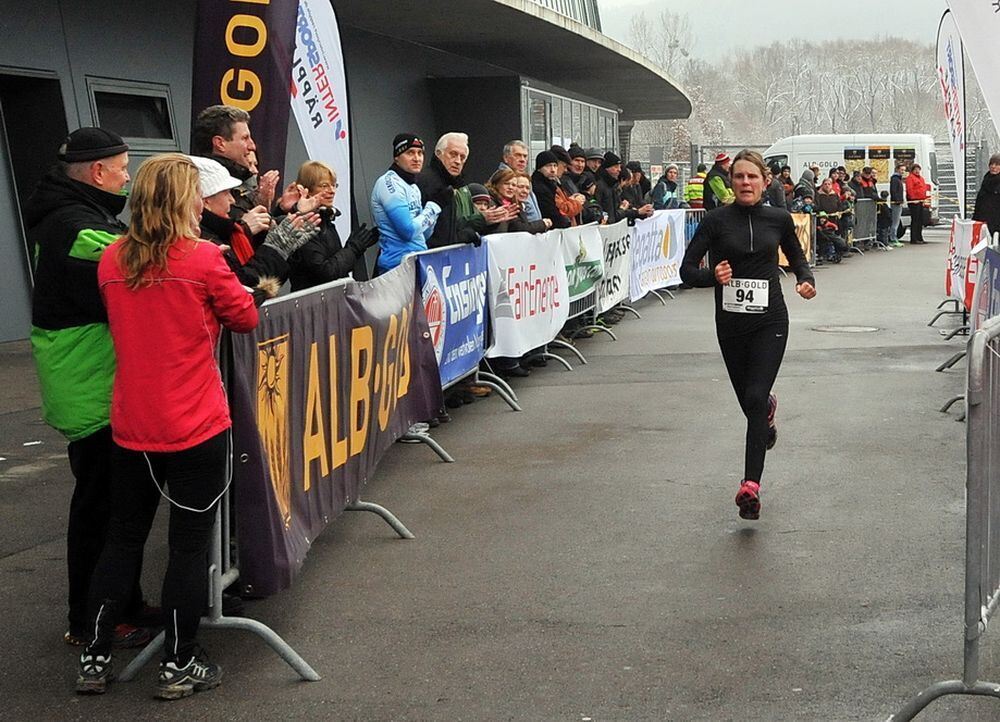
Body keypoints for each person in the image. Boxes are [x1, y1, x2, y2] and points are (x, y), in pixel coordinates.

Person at [76, 153, 260, 698]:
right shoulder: (202, 257)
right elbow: (245, 318)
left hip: (132, 423)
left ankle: (94, 654)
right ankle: (179, 661)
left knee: (122, 540)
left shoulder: (111, 258)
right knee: (187, 547)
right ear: (186, 202)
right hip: (195, 423)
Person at [26, 127, 154, 648]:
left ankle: (123, 604)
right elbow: (145, 265)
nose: (127, 178)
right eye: (124, 169)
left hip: (98, 380)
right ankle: (91, 621)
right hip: (90, 387)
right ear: (98, 172)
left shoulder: (79, 213)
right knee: (102, 510)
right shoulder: (74, 225)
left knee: (118, 505)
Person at [679, 150, 816, 520]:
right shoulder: (715, 221)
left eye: (752, 177)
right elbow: (686, 271)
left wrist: (806, 280)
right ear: (731, 181)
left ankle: (750, 486)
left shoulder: (779, 218)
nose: (745, 183)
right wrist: (713, 277)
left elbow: (797, 257)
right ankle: (767, 414)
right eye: (738, 177)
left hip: (771, 320)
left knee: (754, 396)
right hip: (731, 324)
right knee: (751, 403)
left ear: (764, 180)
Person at [191, 156, 319, 288]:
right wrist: (275, 249)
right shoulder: (206, 239)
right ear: (206, 200)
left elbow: (267, 281)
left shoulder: (226, 231)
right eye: (226, 193)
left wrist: (282, 247)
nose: (232, 200)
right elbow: (240, 288)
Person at [284, 160, 378, 290]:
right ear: (306, 190)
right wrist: (353, 249)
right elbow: (325, 272)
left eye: (334, 185)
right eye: (324, 186)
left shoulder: (325, 220)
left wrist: (353, 250)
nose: (332, 191)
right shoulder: (303, 224)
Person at [190, 105, 273, 242]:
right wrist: (242, 228)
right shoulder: (196, 184)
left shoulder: (241, 178)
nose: (252, 146)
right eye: (245, 138)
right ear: (220, 143)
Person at [418, 132, 513, 250]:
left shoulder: (461, 188)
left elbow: (457, 224)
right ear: (438, 154)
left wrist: (486, 222)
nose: (458, 161)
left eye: (462, 157)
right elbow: (438, 233)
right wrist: (476, 225)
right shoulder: (427, 183)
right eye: (453, 154)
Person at [371, 133, 443, 274]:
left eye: (420, 153)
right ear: (396, 157)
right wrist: (433, 207)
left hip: (418, 263)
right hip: (396, 268)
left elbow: (424, 234)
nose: (417, 158)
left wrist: (433, 214)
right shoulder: (389, 183)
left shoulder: (413, 186)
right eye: (410, 153)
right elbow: (408, 231)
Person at [485, 168, 549, 233]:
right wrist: (542, 224)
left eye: (513, 185)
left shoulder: (513, 204)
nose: (510, 187)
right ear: (496, 184)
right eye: (506, 184)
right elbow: (519, 228)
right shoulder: (490, 202)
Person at [498, 140, 542, 221]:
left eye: (525, 156)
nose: (522, 160)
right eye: (517, 155)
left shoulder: (523, 176)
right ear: (506, 158)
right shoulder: (501, 179)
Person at [973, 153, 1000, 238]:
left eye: (997, 164)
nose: (993, 167)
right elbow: (979, 202)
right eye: (991, 164)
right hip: (983, 222)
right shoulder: (986, 180)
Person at [905, 163, 930, 244]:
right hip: (914, 201)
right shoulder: (910, 178)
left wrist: (924, 200)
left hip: (920, 201)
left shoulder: (921, 178)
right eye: (915, 169)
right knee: (915, 220)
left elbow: (924, 189)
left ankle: (919, 237)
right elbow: (910, 189)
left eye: (918, 169)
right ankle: (914, 238)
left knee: (920, 220)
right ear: (912, 170)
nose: (917, 171)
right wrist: (913, 199)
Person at [889, 162, 908, 246]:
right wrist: (897, 200)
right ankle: (893, 238)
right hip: (896, 203)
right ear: (897, 169)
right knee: (895, 222)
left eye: (904, 170)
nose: (903, 171)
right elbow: (893, 191)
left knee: (896, 222)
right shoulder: (895, 179)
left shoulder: (898, 179)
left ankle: (894, 237)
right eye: (901, 170)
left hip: (899, 202)